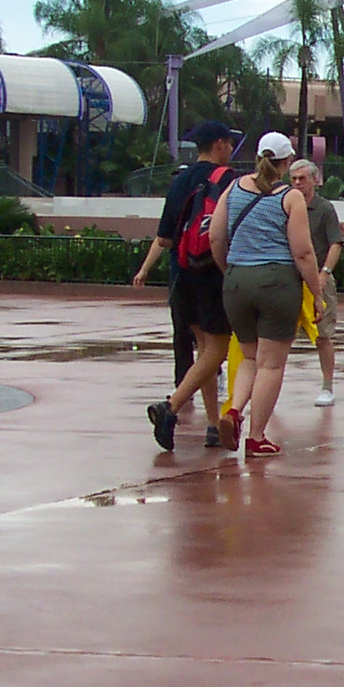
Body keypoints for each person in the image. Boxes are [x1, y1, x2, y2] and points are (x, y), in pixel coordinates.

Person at [208, 132, 326, 458]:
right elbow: (303, 252)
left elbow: (216, 238)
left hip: (235, 279)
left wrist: (230, 271)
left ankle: (233, 411)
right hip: (276, 282)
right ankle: (256, 436)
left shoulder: (233, 188)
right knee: (271, 365)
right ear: (287, 162)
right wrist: (316, 295)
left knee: (248, 356)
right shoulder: (291, 198)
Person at [136, 122, 241, 452]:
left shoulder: (180, 179)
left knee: (203, 349)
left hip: (182, 275)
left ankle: (212, 424)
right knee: (218, 350)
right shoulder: (228, 180)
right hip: (213, 274)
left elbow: (165, 237)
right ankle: (171, 406)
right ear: (221, 145)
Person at [288, 160, 343, 406]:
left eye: (302, 178)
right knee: (278, 335)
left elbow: (336, 243)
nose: (298, 183)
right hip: (288, 278)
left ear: (314, 179)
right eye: (294, 178)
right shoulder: (286, 206)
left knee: (322, 335)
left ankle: (327, 386)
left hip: (317, 278)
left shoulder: (324, 209)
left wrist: (324, 273)